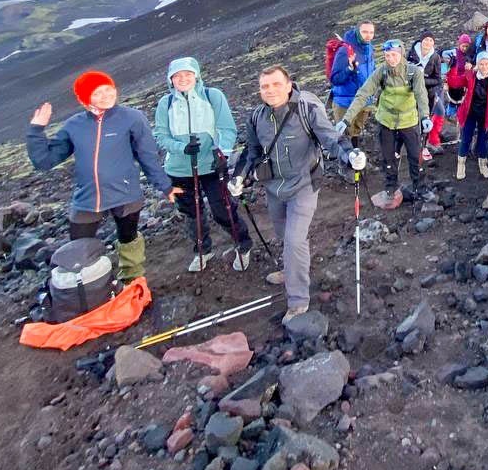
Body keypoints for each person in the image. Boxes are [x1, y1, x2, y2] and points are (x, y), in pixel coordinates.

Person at [237, 64, 359, 324]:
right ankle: (292, 270)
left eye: (276, 84)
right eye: (264, 86)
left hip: (304, 185)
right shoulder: (257, 117)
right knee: (284, 236)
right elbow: (253, 153)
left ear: (289, 85)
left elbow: (331, 139)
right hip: (274, 188)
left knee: (293, 240)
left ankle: (298, 301)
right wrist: (240, 178)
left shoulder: (307, 109)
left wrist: (350, 155)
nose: (270, 91)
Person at [27, 69, 174, 281]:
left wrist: (165, 187)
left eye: (108, 89)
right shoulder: (74, 125)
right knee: (78, 247)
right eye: (97, 93)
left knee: (128, 238)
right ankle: (87, 285)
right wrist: (36, 130)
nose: (106, 95)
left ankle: (133, 281)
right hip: (87, 199)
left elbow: (147, 156)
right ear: (85, 99)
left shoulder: (132, 118)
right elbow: (44, 161)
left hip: (125, 195)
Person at [152, 57, 252, 272]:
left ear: (196, 75)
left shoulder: (212, 96)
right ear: (171, 80)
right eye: (178, 76)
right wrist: (181, 148)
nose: (183, 79)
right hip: (178, 170)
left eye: (188, 74)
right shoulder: (165, 104)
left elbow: (227, 128)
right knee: (191, 214)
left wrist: (222, 152)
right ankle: (202, 250)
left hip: (211, 166)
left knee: (222, 209)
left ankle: (243, 245)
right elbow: (160, 135)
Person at [339, 39, 430, 210]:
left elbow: (421, 95)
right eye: (387, 55)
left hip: (408, 122)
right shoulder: (381, 72)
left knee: (414, 156)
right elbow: (363, 94)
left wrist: (425, 116)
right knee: (388, 158)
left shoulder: (414, 72)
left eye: (394, 55)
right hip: (386, 122)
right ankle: (391, 188)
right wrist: (346, 119)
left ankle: (420, 188)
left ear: (401, 54)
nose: (390, 59)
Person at [451, 51, 488, 180]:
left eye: (486, 63)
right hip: (469, 113)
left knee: (483, 140)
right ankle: (461, 164)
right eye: (481, 64)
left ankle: (483, 165)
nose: (484, 66)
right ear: (477, 65)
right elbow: (455, 82)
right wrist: (455, 67)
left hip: (486, 114)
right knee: (466, 138)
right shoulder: (471, 76)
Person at [328, 20, 376, 142]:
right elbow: (335, 79)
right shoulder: (345, 51)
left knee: (356, 133)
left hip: (363, 100)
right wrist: (350, 69)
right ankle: (347, 159)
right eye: (364, 32)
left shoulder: (369, 48)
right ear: (357, 31)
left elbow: (371, 69)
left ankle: (356, 157)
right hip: (346, 103)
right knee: (344, 137)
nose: (368, 35)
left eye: (371, 32)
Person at [408, 32, 444, 159]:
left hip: (428, 94)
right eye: (426, 40)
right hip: (411, 93)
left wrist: (422, 80)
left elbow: (438, 79)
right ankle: (410, 146)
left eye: (430, 40)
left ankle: (423, 147)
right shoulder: (412, 53)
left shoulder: (435, 57)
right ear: (421, 40)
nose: (428, 43)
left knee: (425, 118)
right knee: (411, 119)